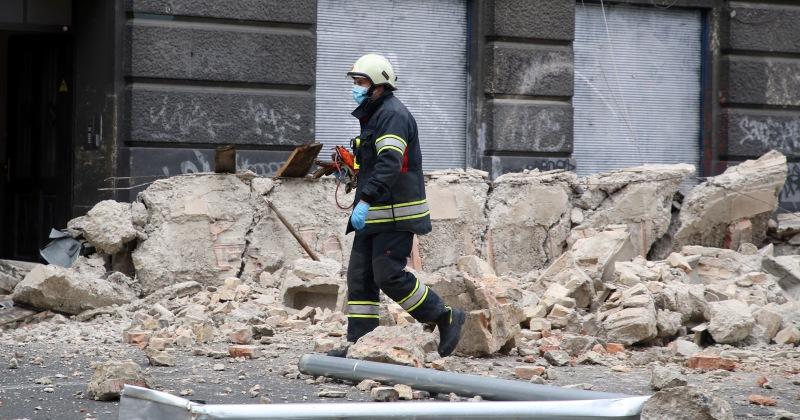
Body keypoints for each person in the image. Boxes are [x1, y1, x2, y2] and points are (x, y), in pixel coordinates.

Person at [331, 53, 465, 357]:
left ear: (380, 84)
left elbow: (391, 163)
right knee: (360, 278)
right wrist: (355, 167)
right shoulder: (375, 114)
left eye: (361, 82)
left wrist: (365, 199)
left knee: (388, 275)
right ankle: (359, 345)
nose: (357, 88)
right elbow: (378, 160)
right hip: (376, 213)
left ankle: (443, 315)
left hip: (393, 212)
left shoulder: (392, 115)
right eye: (355, 82)